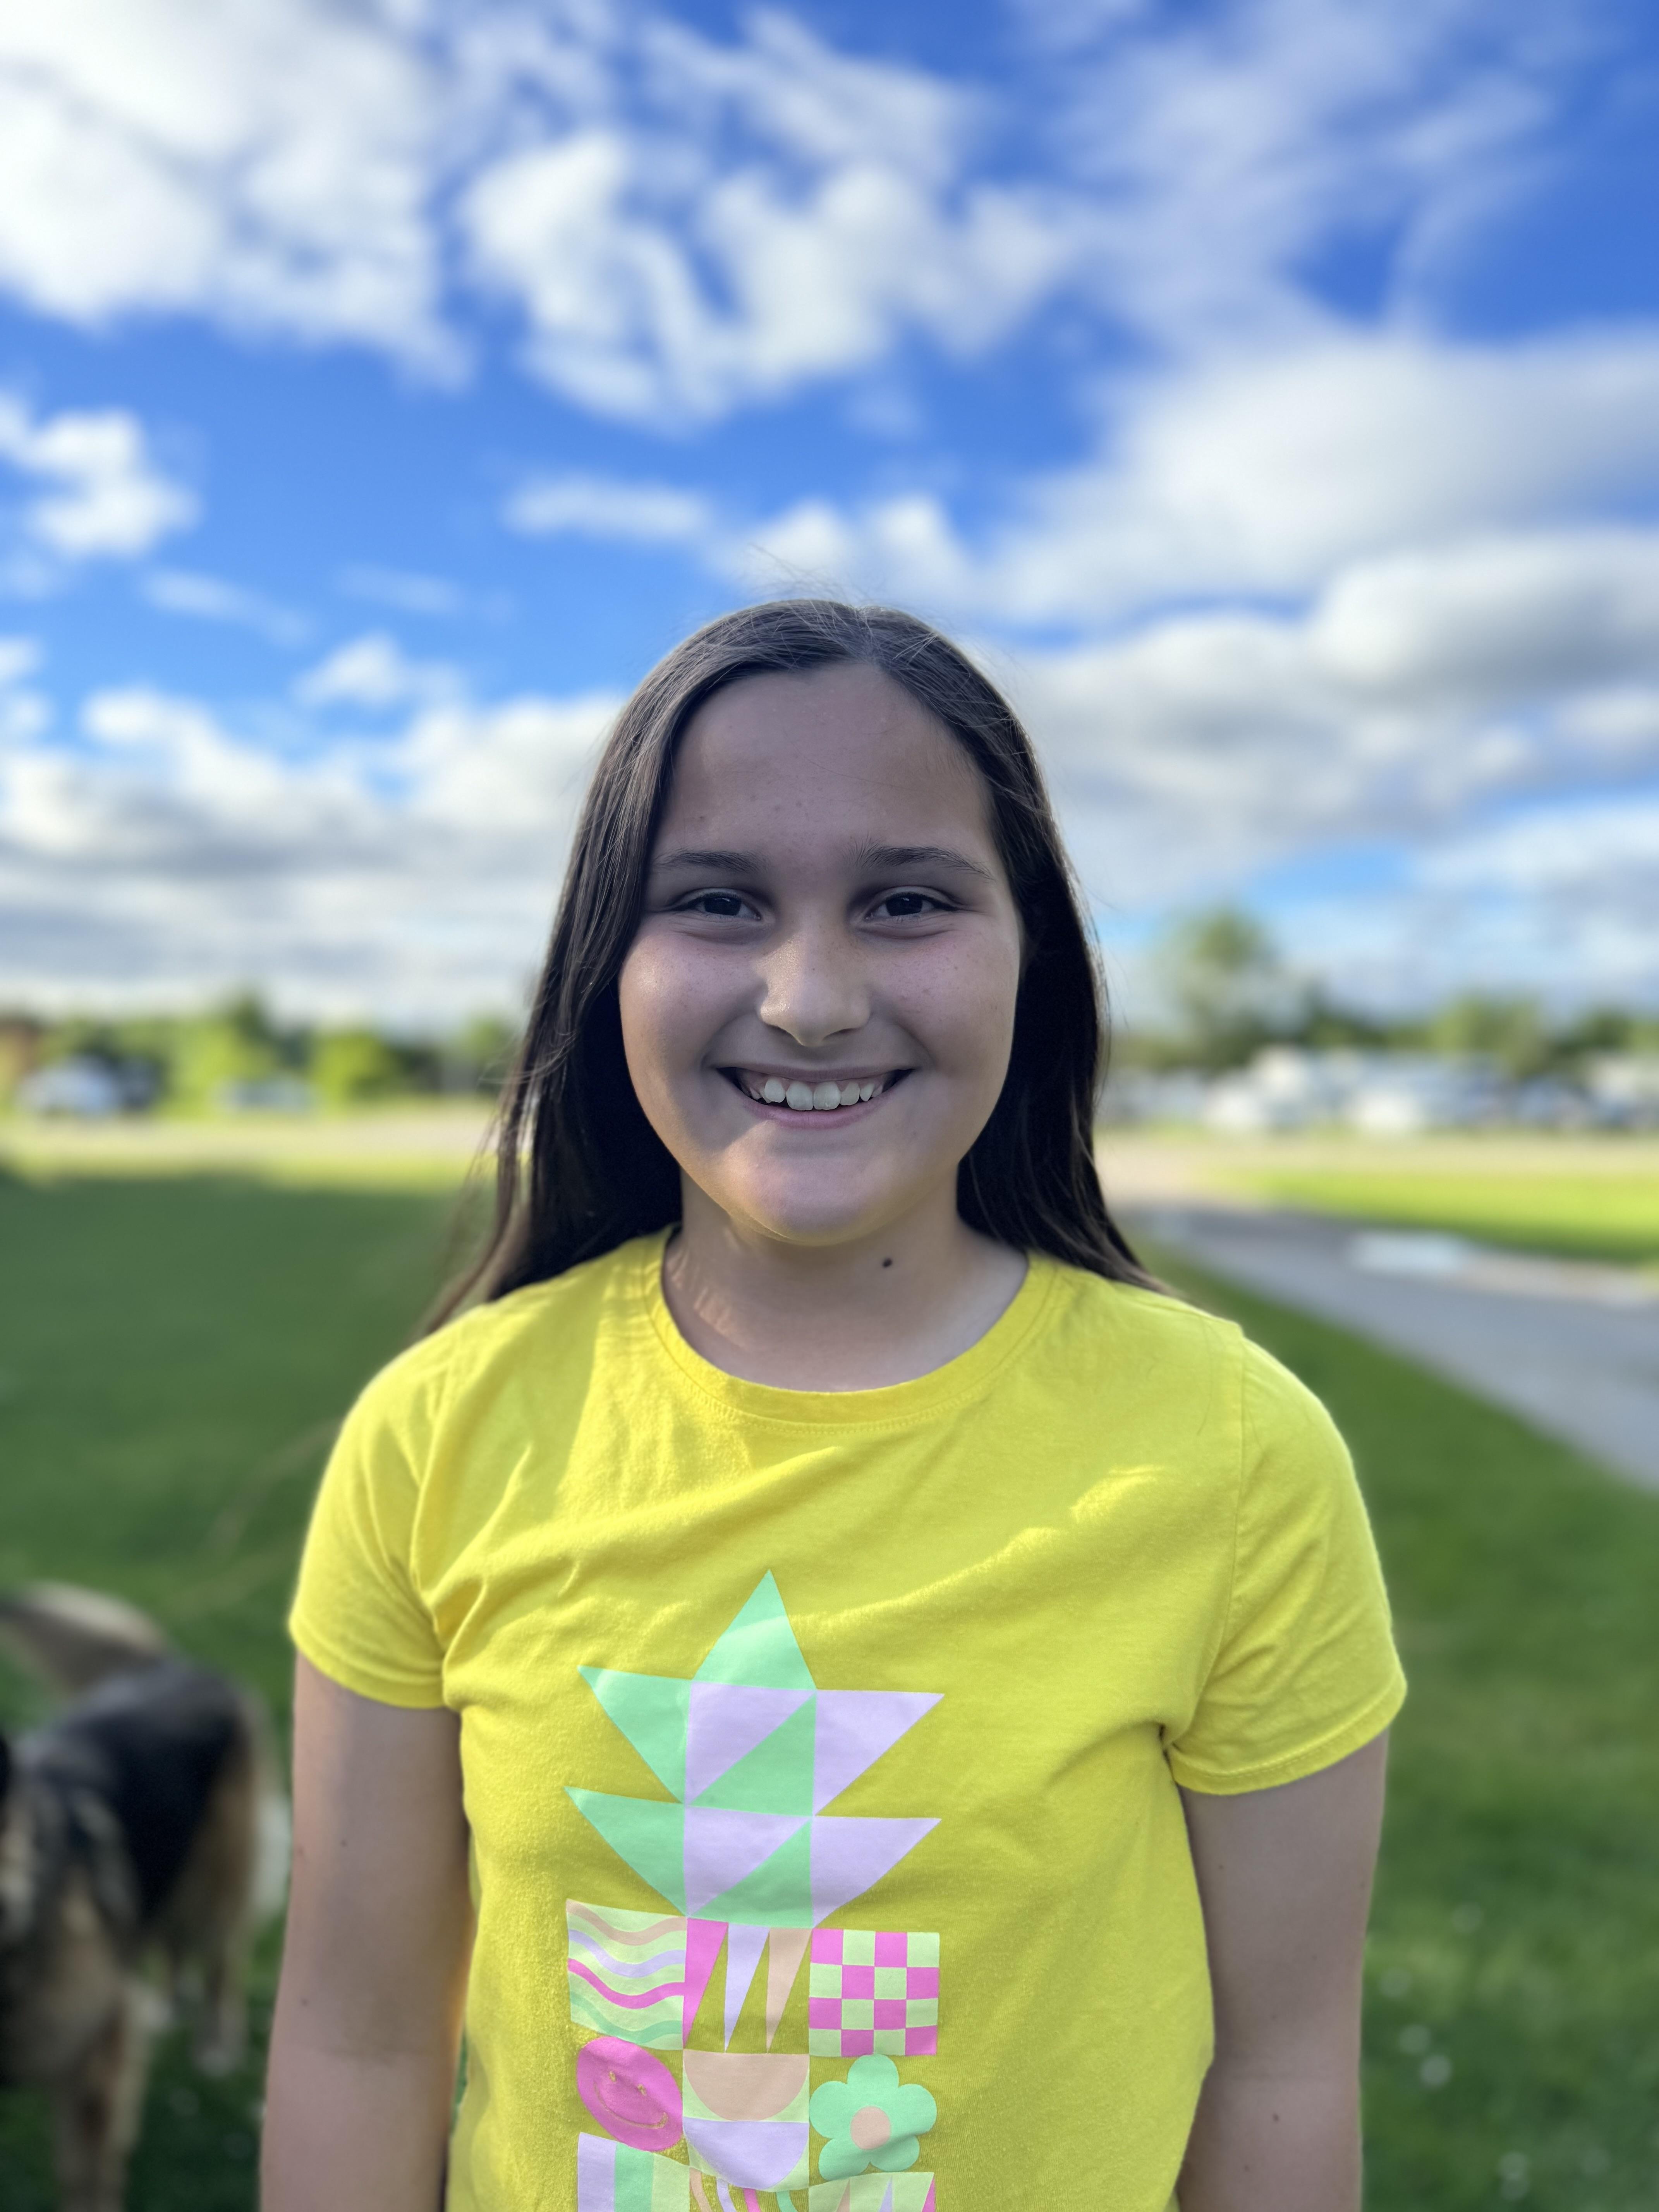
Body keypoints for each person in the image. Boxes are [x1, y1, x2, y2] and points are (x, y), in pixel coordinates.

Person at [264, 599, 1404, 2212]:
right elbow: (361, 2038)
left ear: (1032, 956)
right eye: (717, 900)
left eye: (907, 901)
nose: (809, 997)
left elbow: (1280, 2065)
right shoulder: (438, 1434)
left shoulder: (1234, 1455)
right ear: (610, 965)